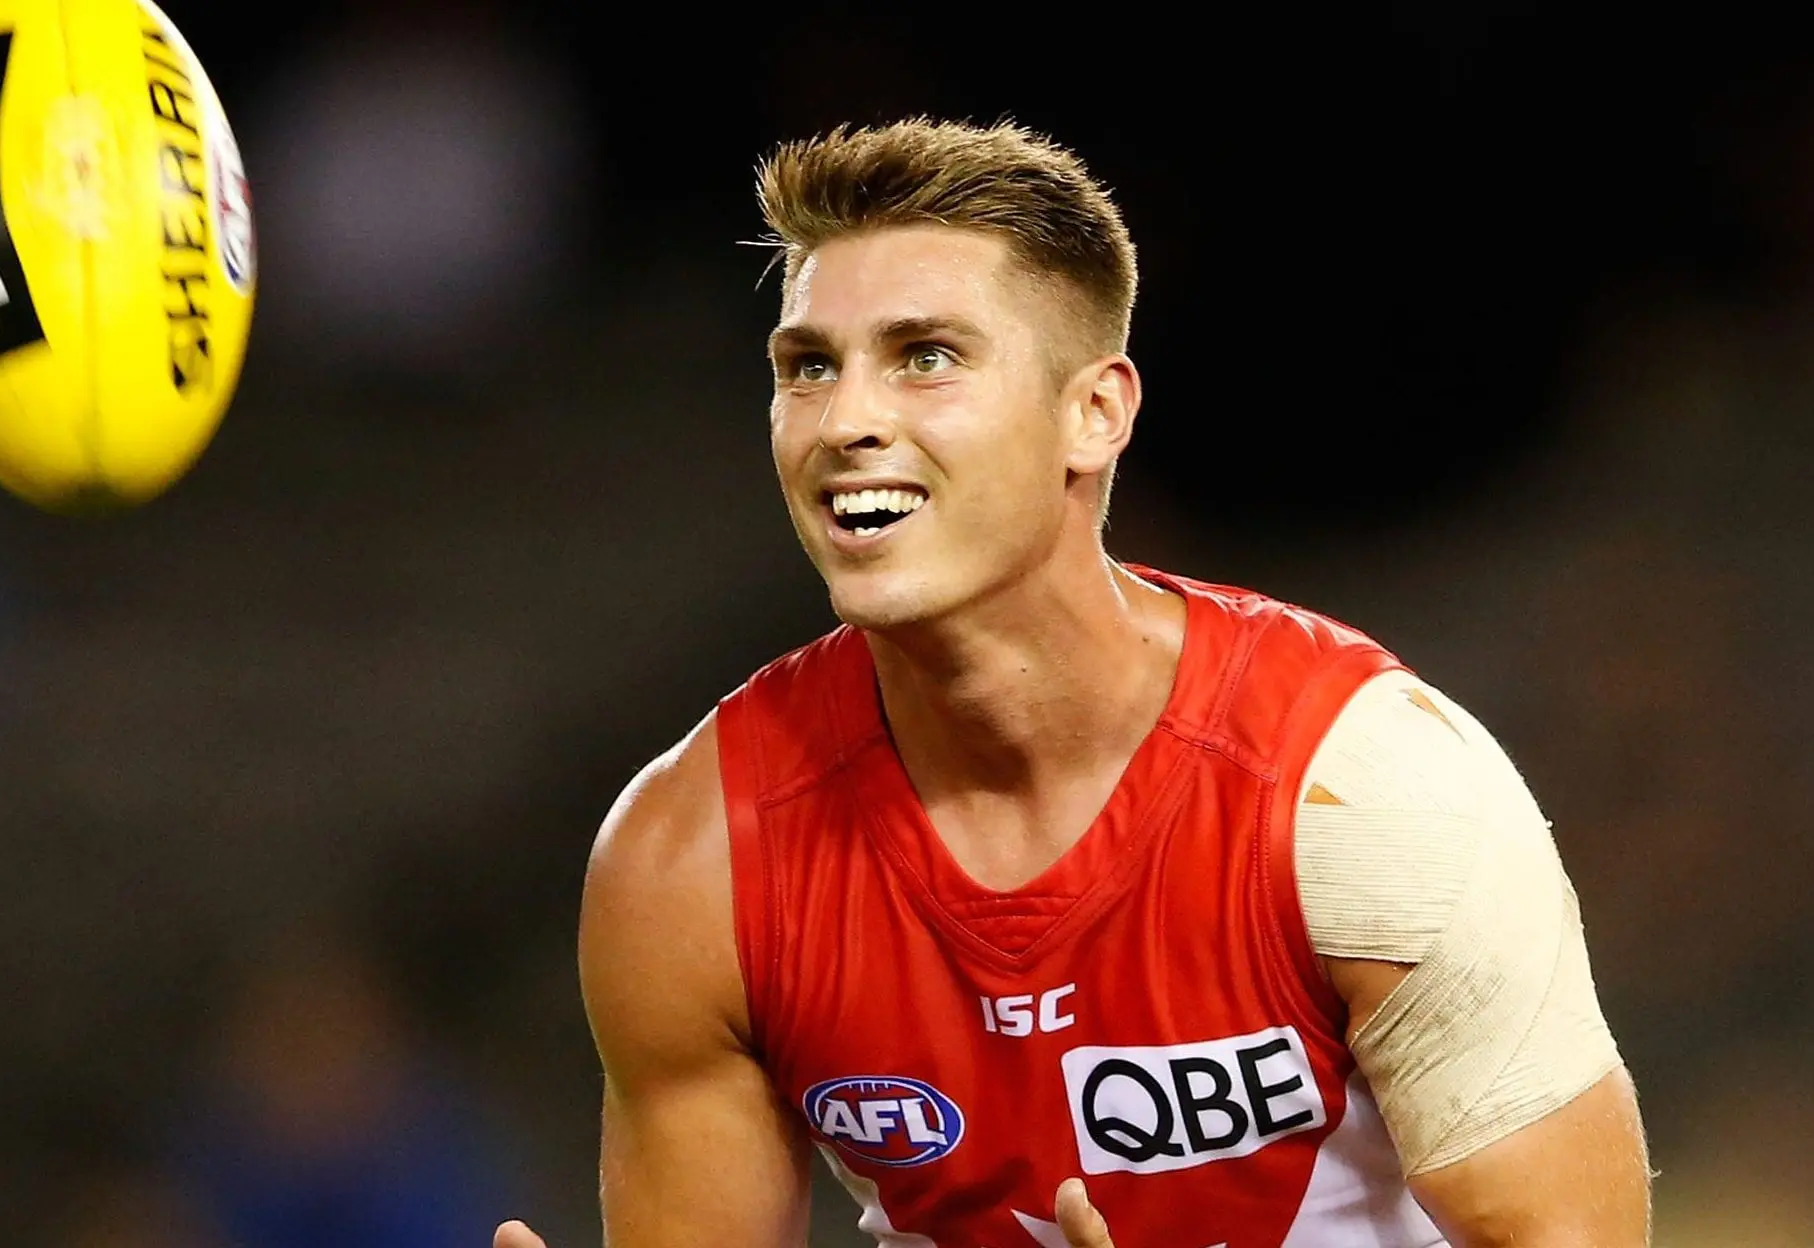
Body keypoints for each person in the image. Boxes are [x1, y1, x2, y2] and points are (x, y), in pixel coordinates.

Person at [497, 119, 1651, 1248]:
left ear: (1094, 414)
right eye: (809, 368)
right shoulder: (692, 856)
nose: (845, 421)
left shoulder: (1363, 792)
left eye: (925, 357)